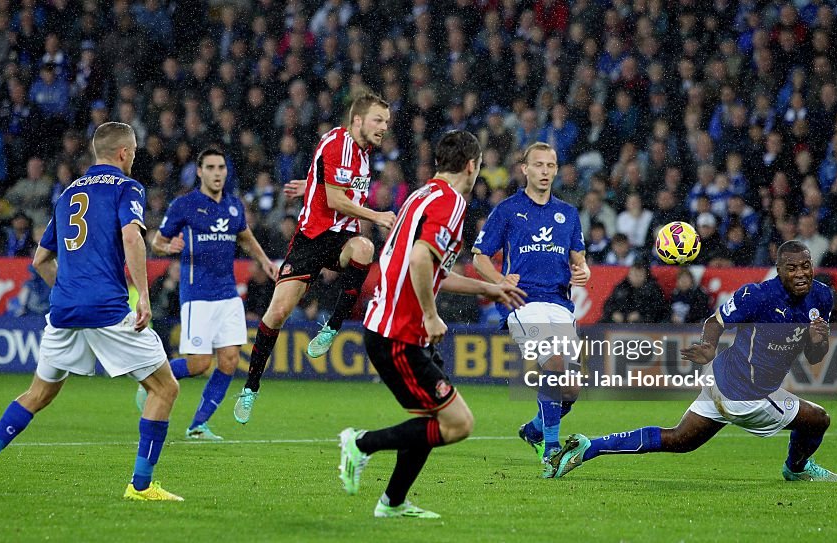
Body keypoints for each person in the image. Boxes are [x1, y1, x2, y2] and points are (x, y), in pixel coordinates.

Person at [0, 123, 184, 501]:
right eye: (134, 153)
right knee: (164, 388)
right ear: (124, 153)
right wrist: (142, 296)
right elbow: (132, 237)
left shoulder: (67, 194)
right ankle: (141, 486)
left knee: (38, 394)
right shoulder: (129, 188)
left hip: (64, 311)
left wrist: (68, 290)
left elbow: (41, 259)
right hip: (107, 308)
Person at [337, 130, 527, 518]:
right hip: (399, 334)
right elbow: (421, 259)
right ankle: (361, 443)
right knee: (458, 424)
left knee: (431, 419)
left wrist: (489, 287)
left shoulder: (420, 196)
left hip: (392, 329)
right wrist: (429, 313)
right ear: (472, 166)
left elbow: (434, 270)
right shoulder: (450, 203)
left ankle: (392, 503)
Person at [547, 241, 837, 484]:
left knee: (680, 439)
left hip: (723, 379)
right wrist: (709, 346)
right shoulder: (758, 295)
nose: (801, 273)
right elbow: (716, 321)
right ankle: (797, 468)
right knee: (819, 419)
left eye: (805, 266)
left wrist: (819, 340)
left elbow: (816, 355)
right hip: (748, 394)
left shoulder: (822, 297)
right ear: (779, 270)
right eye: (792, 268)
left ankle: (590, 447)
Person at [236, 93, 396, 424]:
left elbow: (331, 180)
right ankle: (251, 387)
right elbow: (337, 199)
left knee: (365, 248)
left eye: (387, 121)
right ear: (357, 121)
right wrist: (377, 215)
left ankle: (332, 326)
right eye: (378, 120)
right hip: (311, 238)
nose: (385, 126)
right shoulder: (337, 142)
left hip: (342, 239)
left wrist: (309, 185)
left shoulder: (365, 156)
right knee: (277, 312)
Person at [138, 147, 277, 438]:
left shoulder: (234, 205)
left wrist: (264, 262)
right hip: (197, 294)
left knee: (229, 360)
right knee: (199, 364)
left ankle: (198, 425)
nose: (217, 173)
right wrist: (167, 247)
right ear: (199, 172)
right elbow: (156, 241)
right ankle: (149, 377)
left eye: (221, 168)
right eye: (211, 168)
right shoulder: (184, 205)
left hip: (227, 295)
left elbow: (245, 236)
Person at [471, 142, 591, 474]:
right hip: (523, 302)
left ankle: (536, 429)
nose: (544, 171)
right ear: (524, 168)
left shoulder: (568, 213)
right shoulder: (507, 210)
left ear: (555, 170)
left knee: (572, 390)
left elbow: (579, 260)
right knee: (552, 362)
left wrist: (585, 270)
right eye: (537, 165)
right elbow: (479, 256)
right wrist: (499, 280)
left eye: (550, 166)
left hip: (560, 304)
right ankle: (551, 450)